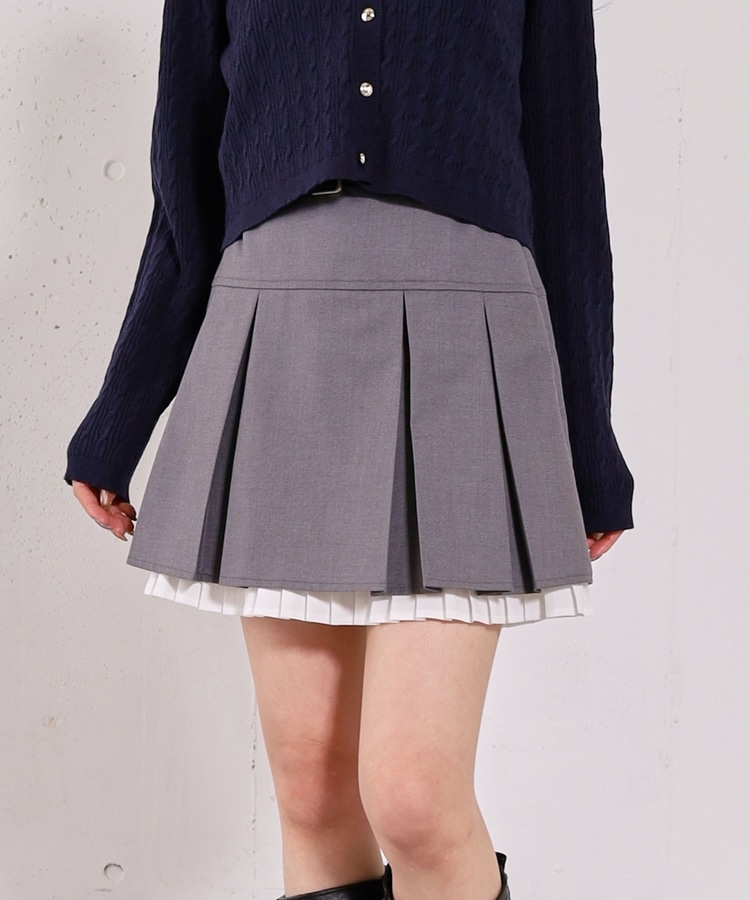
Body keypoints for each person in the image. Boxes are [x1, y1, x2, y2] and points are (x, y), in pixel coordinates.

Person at [65, 1, 634, 898]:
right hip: (279, 327)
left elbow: (569, 186)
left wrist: (589, 445)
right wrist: (119, 416)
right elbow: (186, 187)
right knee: (310, 787)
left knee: (414, 796)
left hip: (465, 335)